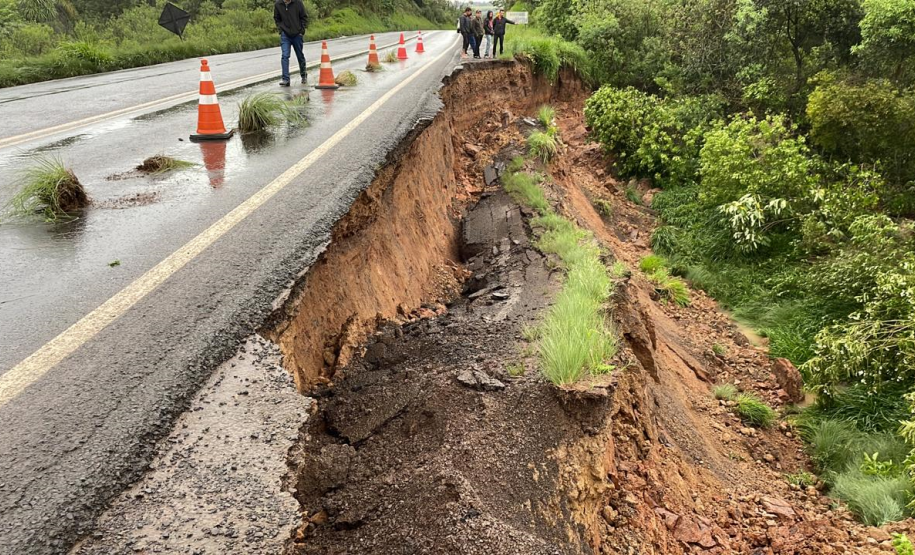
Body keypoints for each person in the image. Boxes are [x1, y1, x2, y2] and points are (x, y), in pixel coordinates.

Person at [274, 0, 308, 86]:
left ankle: (303, 75)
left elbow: (304, 17)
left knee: (300, 55)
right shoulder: (278, 4)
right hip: (285, 35)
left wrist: (302, 31)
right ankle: (286, 79)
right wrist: (281, 30)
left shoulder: (298, 3)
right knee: (285, 56)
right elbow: (277, 18)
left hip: (297, 34)